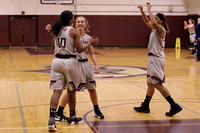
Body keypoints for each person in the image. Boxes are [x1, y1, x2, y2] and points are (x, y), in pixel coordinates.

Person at [47, 10, 99, 132]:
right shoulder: (73, 31)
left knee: (56, 92)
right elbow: (80, 49)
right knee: (71, 90)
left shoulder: (56, 30)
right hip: (69, 62)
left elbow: (53, 48)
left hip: (56, 61)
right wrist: (91, 42)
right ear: (71, 19)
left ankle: (51, 119)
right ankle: (72, 116)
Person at [134, 3, 182, 116]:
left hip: (156, 59)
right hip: (152, 58)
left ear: (160, 21)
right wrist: (142, 11)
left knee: (157, 84)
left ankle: (174, 105)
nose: (153, 20)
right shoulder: (155, 29)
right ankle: (145, 106)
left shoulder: (161, 29)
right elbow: (147, 22)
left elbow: (153, 22)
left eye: (155, 18)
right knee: (150, 83)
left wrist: (150, 9)